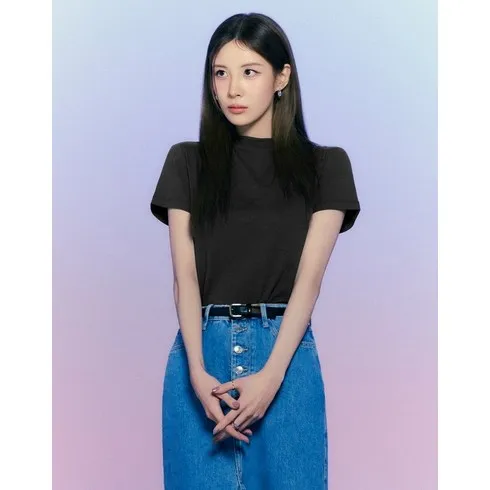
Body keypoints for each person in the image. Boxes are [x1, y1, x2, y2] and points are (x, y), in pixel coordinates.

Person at [150, 12, 360, 490]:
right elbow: (185, 277)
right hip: (201, 357)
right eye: (221, 73)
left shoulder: (326, 167)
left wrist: (270, 377)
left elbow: (309, 284)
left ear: (281, 77)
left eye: (249, 72)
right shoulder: (187, 162)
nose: (232, 89)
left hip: (284, 356)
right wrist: (196, 371)